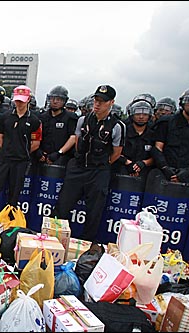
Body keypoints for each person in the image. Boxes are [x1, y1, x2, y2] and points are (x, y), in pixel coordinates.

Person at [53, 85, 126, 241]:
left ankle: (86, 245)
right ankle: (54, 239)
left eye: (103, 101)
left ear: (111, 102)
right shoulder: (82, 120)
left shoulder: (117, 126)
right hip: (78, 167)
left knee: (94, 212)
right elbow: (78, 142)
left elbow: (116, 153)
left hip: (99, 171)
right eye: (96, 100)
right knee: (62, 206)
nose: (97, 104)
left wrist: (100, 164)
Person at [0, 85, 42, 207]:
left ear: (28, 100)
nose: (19, 103)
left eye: (22, 100)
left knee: (13, 196)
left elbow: (36, 143)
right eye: (17, 100)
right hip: (3, 160)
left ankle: (9, 221)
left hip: (21, 162)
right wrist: (6, 148)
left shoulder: (34, 120)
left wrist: (22, 151)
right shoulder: (5, 117)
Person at [151, 87, 189, 186]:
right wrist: (165, 168)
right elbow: (157, 148)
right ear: (182, 103)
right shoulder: (167, 122)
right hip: (164, 173)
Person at [35, 85, 78, 167]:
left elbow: (73, 137)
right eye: (52, 98)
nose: (55, 102)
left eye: (58, 99)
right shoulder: (42, 116)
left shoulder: (70, 117)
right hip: (41, 157)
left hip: (61, 158)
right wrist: (38, 151)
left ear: (64, 101)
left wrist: (59, 153)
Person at [112, 100, 155, 179]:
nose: (141, 117)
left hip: (145, 171)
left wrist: (143, 163)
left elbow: (158, 155)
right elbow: (113, 151)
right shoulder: (123, 130)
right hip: (121, 168)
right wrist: (127, 162)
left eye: (145, 114)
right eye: (138, 114)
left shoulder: (154, 134)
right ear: (132, 115)